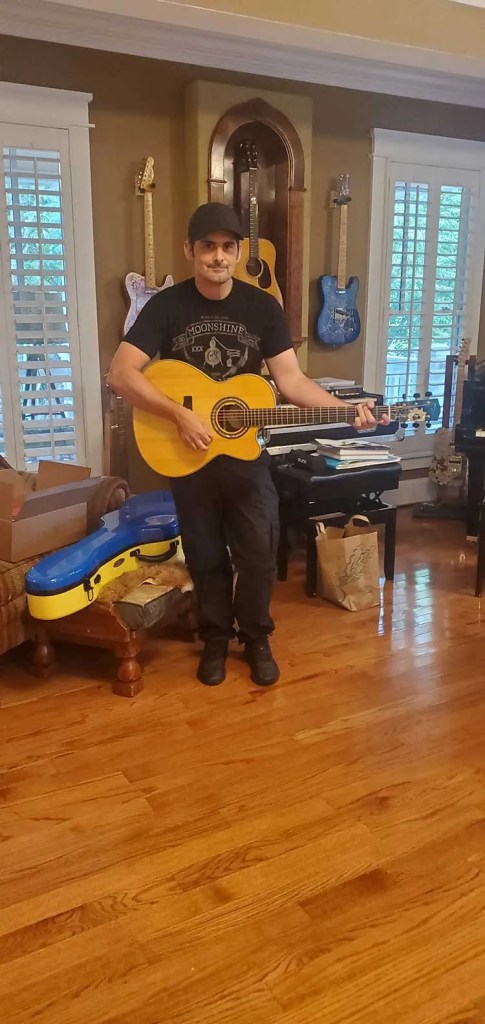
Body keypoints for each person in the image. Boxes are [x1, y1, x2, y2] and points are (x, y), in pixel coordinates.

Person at [107, 202, 388, 688]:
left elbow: (292, 382)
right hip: (186, 452)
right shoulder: (166, 306)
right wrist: (178, 413)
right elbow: (120, 373)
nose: (218, 257)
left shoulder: (262, 307)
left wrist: (347, 412)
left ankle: (256, 638)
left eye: (228, 247)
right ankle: (215, 639)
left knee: (258, 552)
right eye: (209, 247)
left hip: (244, 454)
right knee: (205, 553)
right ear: (190, 250)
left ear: (238, 253)